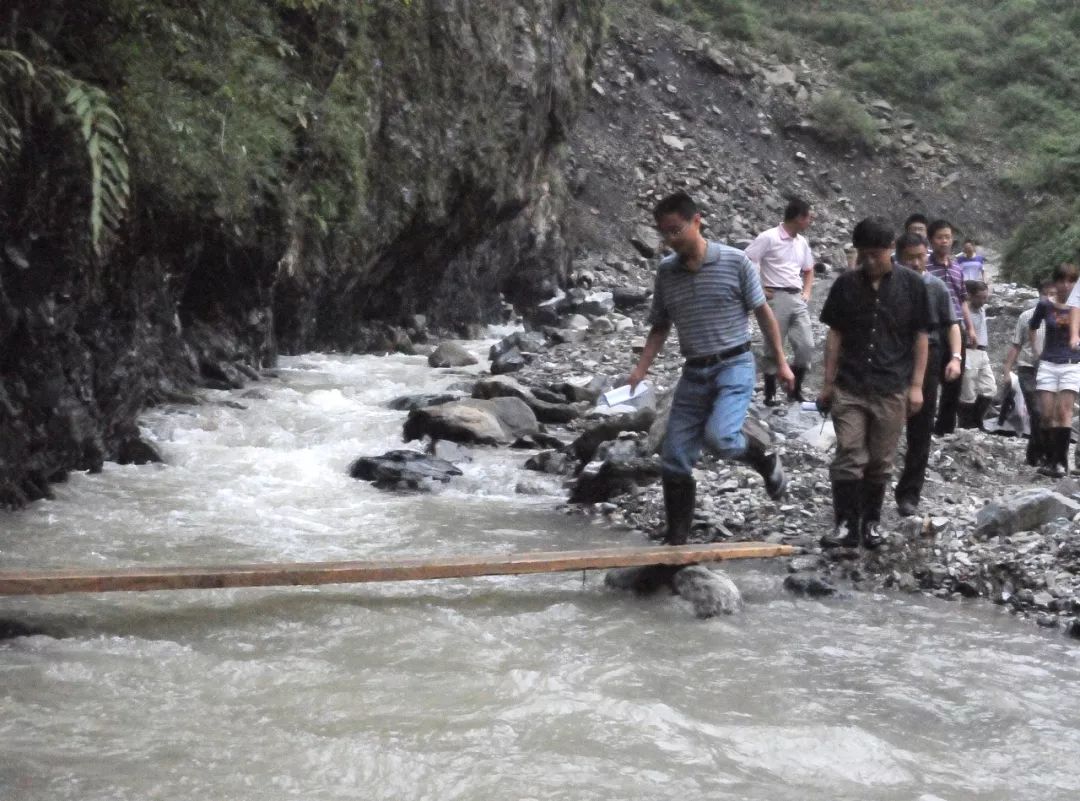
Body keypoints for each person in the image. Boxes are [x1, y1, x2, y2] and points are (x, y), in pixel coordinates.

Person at [628, 192, 794, 547]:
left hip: (734, 365)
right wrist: (640, 369)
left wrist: (780, 361)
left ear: (697, 221)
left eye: (676, 231)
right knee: (674, 458)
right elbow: (660, 325)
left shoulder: (735, 262)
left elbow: (764, 314)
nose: (670, 240)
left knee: (720, 437)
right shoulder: (667, 273)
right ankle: (676, 542)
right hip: (694, 371)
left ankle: (763, 457)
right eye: (664, 233)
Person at [818, 218, 930, 548]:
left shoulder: (912, 286)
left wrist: (917, 385)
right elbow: (834, 334)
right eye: (863, 254)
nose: (868, 261)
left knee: (880, 459)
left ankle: (871, 524)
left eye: (875, 255)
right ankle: (845, 525)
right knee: (849, 452)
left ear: (890, 250)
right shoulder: (845, 285)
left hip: (891, 385)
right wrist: (827, 383)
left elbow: (921, 337)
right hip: (850, 384)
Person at [892, 233, 961, 517]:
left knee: (921, 429)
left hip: (929, 356)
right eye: (912, 258)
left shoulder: (935, 287)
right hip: (893, 356)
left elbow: (951, 324)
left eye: (922, 257)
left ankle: (909, 493)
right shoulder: (888, 286)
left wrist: (955, 357)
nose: (919, 263)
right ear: (899, 258)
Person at [744, 197, 815, 405]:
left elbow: (809, 269)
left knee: (806, 345)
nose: (810, 222)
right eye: (808, 218)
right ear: (799, 218)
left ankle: (795, 390)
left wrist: (807, 292)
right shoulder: (769, 237)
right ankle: (770, 394)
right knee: (773, 345)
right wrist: (758, 287)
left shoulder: (802, 242)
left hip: (796, 296)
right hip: (775, 296)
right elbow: (747, 259)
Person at [1029, 262, 1080, 478]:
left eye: (1071, 281)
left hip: (1071, 363)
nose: (1066, 285)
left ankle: (1060, 462)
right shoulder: (1045, 305)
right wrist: (1036, 350)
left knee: (1064, 412)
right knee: (1046, 414)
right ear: (1055, 281)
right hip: (1048, 362)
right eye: (1062, 280)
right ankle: (1049, 458)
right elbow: (1032, 325)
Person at [926, 219, 977, 435]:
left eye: (948, 237)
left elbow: (962, 299)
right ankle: (923, 423)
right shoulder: (925, 265)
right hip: (933, 327)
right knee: (930, 377)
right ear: (931, 240)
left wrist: (971, 328)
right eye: (940, 237)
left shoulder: (956, 267)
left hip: (956, 329)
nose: (945, 241)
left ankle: (944, 428)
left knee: (954, 380)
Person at [1004, 278, 1053, 465]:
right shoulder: (1026, 317)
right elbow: (1016, 345)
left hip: (1051, 369)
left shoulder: (1061, 318)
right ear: (1039, 294)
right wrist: (1007, 370)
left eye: (1053, 294)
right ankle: (1040, 455)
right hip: (1028, 368)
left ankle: (1036, 454)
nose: (1049, 298)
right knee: (1037, 411)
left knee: (1048, 413)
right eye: (1046, 294)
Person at [958, 280, 996, 429]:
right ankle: (966, 424)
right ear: (970, 296)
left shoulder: (982, 309)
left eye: (985, 297)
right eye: (980, 297)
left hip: (982, 351)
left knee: (989, 388)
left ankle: (976, 419)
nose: (983, 301)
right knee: (968, 391)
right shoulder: (963, 311)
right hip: (968, 350)